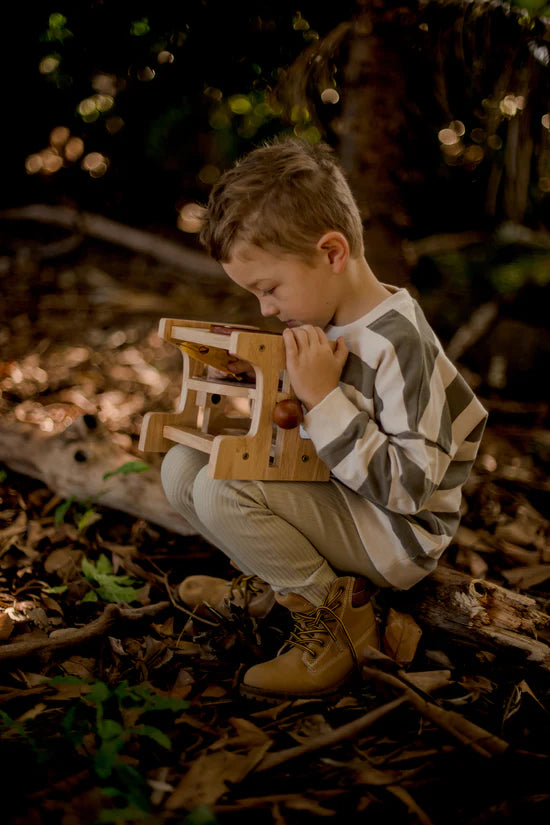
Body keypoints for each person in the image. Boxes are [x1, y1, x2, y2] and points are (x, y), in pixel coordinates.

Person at [161, 138, 487, 701]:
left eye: (269, 289)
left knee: (222, 489)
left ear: (333, 252)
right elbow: (303, 419)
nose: (265, 308)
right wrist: (260, 377)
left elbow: (410, 487)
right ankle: (276, 584)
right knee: (183, 465)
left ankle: (339, 626)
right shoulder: (325, 319)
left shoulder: (398, 343)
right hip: (341, 497)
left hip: (395, 533)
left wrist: (322, 398)